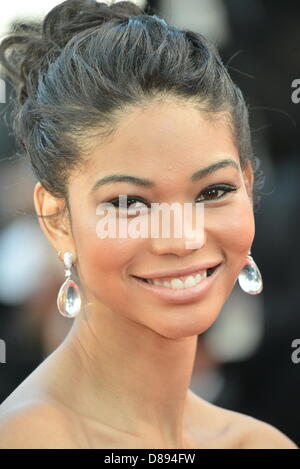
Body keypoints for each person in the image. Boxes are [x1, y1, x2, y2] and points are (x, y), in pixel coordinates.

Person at [0, 0, 297, 449]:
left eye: (214, 192)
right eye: (128, 202)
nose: (183, 237)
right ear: (57, 219)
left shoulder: (259, 443)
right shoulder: (26, 439)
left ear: (248, 184)